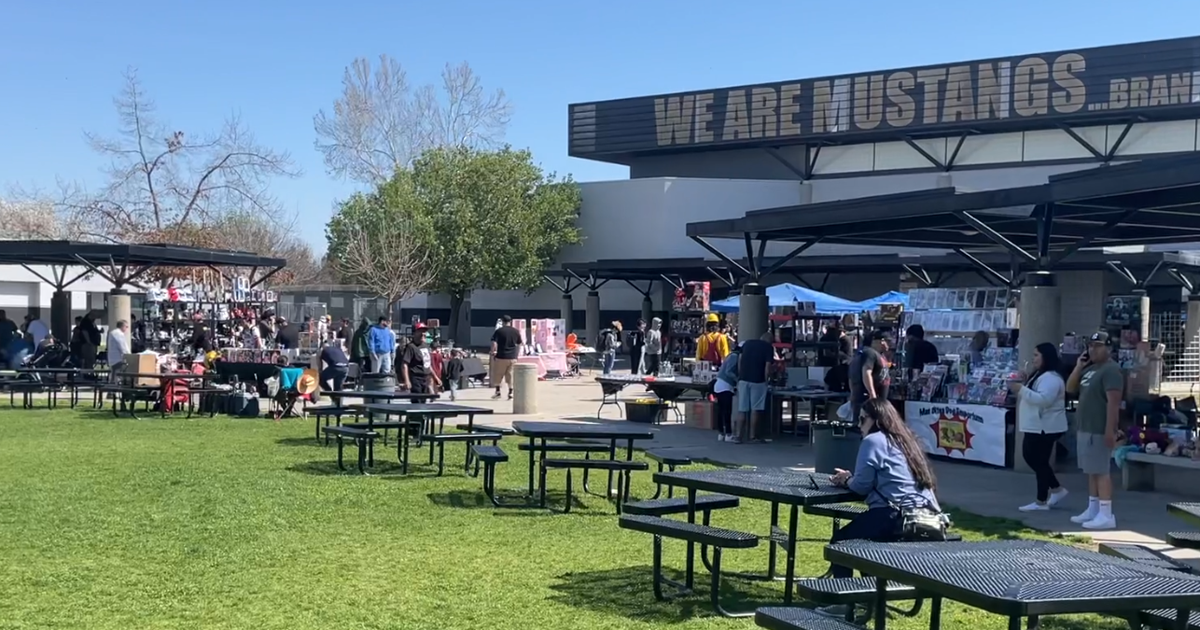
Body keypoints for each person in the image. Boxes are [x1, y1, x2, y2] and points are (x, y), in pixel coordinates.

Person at [823, 398, 940, 617]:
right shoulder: (907, 441)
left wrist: (845, 479)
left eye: (862, 419)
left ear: (876, 420)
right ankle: (871, 599)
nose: (859, 424)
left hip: (895, 516)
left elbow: (861, 486)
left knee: (840, 542)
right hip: (926, 519)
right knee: (866, 542)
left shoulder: (873, 441)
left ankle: (844, 602)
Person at [1065, 331, 1124, 530]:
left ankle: (1106, 513)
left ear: (1108, 348)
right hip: (1085, 427)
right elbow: (1070, 388)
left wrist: (1110, 430)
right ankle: (1093, 508)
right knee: (1091, 470)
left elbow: (1113, 403)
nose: (1093, 350)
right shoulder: (1090, 369)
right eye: (1091, 346)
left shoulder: (1111, 370)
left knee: (1101, 471)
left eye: (1098, 346)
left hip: (1099, 428)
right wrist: (1079, 366)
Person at [1009, 342, 1069, 512]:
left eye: (1036, 355)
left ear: (1046, 357)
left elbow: (1044, 400)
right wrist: (1024, 382)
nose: (1033, 359)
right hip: (1037, 425)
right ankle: (1056, 489)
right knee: (1033, 458)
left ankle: (1041, 500)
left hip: (1045, 426)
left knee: (1038, 460)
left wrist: (1021, 389)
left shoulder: (1051, 378)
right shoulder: (1041, 375)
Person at [735, 332, 775, 443]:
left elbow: (739, 360)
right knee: (755, 409)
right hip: (758, 381)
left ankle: (738, 436)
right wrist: (767, 380)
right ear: (770, 341)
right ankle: (752, 436)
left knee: (742, 409)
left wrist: (740, 374)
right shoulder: (768, 348)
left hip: (743, 379)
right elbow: (767, 367)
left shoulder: (747, 344)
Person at [848, 332, 891, 422]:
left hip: (872, 400)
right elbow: (866, 372)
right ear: (879, 341)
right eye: (887, 341)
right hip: (868, 400)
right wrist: (872, 395)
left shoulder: (873, 354)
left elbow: (851, 378)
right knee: (867, 425)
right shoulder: (869, 353)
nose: (889, 344)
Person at [490, 315, 523, 400]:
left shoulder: (499, 331)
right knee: (510, 375)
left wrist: (493, 351)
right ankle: (510, 393)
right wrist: (517, 354)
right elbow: (519, 344)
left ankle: (498, 392)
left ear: (502, 321)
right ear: (510, 321)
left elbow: (494, 343)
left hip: (501, 356)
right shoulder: (516, 331)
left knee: (498, 374)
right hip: (512, 357)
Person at [400, 324, 439, 394]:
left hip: (426, 378)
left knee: (423, 401)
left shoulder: (426, 346)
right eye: (420, 331)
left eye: (424, 331)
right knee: (417, 401)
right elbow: (404, 364)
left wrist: (436, 377)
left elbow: (428, 364)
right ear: (415, 333)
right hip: (416, 378)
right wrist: (407, 380)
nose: (423, 334)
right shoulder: (411, 347)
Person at [713, 345, 740, 442]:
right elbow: (729, 371)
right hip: (726, 386)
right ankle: (728, 434)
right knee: (727, 411)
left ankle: (721, 434)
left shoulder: (729, 355)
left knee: (721, 411)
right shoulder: (735, 357)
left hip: (719, 385)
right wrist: (737, 379)